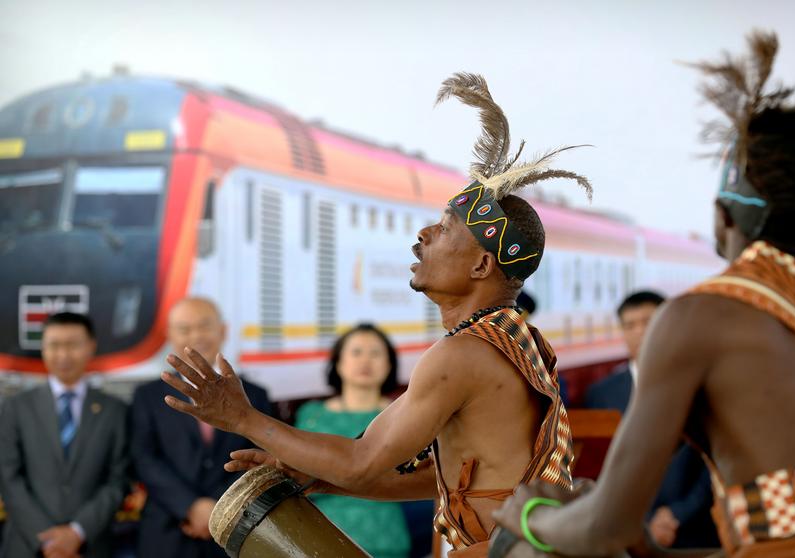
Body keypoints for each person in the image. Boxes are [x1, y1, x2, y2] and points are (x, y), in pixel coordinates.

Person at [492, 31, 795, 557]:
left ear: (723, 214)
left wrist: (527, 513)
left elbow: (603, 532)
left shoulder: (698, 318)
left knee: (522, 550)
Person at [160, 72, 591, 557]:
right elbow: (436, 477)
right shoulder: (510, 338)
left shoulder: (463, 353)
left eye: (445, 228)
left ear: (480, 264)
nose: (423, 234)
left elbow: (363, 460)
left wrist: (242, 417)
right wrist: (323, 481)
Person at [130, 298, 272, 558]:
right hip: (167, 531)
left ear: (223, 331)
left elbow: (262, 456)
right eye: (184, 329)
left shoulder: (256, 396)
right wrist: (190, 506)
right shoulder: (146, 396)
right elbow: (144, 458)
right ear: (170, 336)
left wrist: (216, 507)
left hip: (235, 531)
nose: (196, 336)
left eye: (205, 326)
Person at [584, 290, 718, 549]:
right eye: (629, 325)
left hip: (695, 529)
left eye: (648, 322)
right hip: (625, 530)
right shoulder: (601, 393)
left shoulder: (701, 389)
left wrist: (677, 514)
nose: (639, 332)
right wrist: (642, 522)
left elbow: (714, 462)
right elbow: (599, 468)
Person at [0, 313, 130, 558]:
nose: (63, 355)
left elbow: (118, 480)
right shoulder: (16, 407)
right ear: (42, 348)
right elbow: (8, 478)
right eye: (54, 345)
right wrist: (48, 539)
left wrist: (77, 532)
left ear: (91, 346)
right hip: (26, 545)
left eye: (72, 345)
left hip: (90, 545)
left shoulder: (115, 410)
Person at [294, 323, 411, 558]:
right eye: (356, 352)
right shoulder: (312, 415)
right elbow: (296, 477)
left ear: (389, 365)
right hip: (320, 538)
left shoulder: (404, 415)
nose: (365, 361)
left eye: (376, 353)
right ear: (338, 362)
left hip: (385, 537)